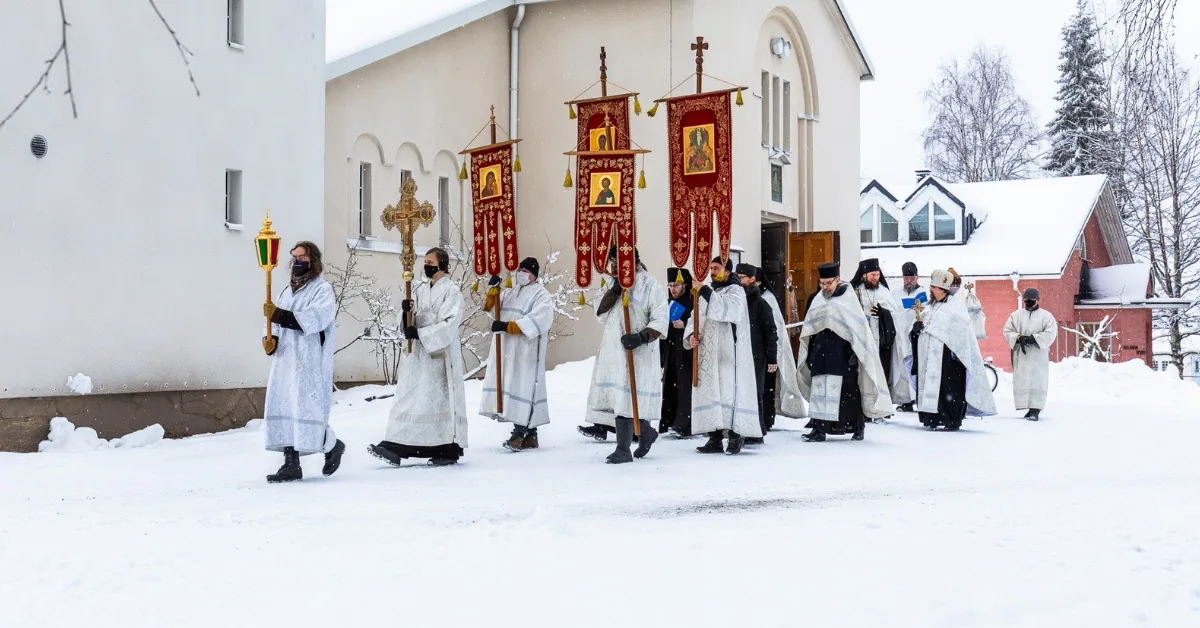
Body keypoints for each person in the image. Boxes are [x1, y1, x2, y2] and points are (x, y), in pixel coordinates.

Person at [369, 248, 468, 466]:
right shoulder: (420, 288)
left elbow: (449, 324)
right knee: (410, 398)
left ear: (442, 265)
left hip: (439, 357)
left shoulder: (451, 292)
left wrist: (422, 333)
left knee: (432, 402)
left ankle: (444, 447)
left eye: (430, 262)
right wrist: (407, 314)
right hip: (417, 356)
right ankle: (396, 442)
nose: (426, 266)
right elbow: (408, 317)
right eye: (425, 262)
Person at [262, 241, 344, 483]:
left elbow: (318, 317)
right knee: (285, 406)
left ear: (313, 261)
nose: (298, 262)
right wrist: (270, 338)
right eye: (295, 257)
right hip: (285, 359)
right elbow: (272, 321)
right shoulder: (285, 292)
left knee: (306, 407)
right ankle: (291, 464)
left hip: (308, 360)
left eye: (303, 258)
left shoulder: (322, 289)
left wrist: (280, 315)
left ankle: (332, 446)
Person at [580, 247, 669, 464]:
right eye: (612, 262)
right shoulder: (612, 283)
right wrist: (616, 290)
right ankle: (646, 432)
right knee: (621, 398)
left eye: (618, 262)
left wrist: (641, 337)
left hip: (638, 352)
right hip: (613, 352)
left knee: (629, 397)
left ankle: (623, 449)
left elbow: (660, 317)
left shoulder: (650, 284)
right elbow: (599, 313)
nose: (614, 267)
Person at [795, 262, 892, 442]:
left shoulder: (848, 298)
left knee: (849, 391)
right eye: (821, 283)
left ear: (837, 280)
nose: (824, 287)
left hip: (843, 352)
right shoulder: (819, 298)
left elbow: (859, 328)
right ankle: (819, 428)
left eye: (828, 283)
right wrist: (810, 351)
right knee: (819, 389)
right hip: (820, 350)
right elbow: (811, 326)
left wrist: (856, 352)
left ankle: (857, 427)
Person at [686, 256, 762, 455]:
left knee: (729, 395)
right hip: (708, 354)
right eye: (710, 268)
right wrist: (691, 337)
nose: (712, 271)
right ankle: (715, 438)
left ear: (727, 271)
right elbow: (696, 317)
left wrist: (704, 290)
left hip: (729, 354)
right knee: (712, 393)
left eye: (716, 268)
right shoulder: (708, 291)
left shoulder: (735, 291)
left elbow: (726, 311)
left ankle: (736, 437)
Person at [479, 257, 555, 450]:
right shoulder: (511, 292)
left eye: (525, 270)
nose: (520, 272)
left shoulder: (541, 295)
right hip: (507, 349)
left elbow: (539, 320)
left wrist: (509, 326)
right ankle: (531, 435)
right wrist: (493, 291)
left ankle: (519, 433)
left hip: (526, 350)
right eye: (519, 269)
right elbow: (492, 309)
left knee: (524, 387)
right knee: (513, 386)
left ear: (533, 274)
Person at [910, 269, 997, 430]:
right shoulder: (928, 307)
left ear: (942, 289)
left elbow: (962, 334)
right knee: (934, 389)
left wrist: (936, 331)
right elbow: (920, 331)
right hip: (929, 358)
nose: (931, 290)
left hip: (949, 360)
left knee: (948, 390)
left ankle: (951, 420)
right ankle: (932, 419)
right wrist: (915, 331)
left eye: (933, 287)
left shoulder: (956, 307)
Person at [850, 258, 913, 414]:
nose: (875, 278)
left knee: (881, 374)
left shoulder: (884, 292)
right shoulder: (854, 292)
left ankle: (880, 407)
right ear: (863, 275)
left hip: (882, 343)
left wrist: (884, 314)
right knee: (862, 375)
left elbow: (895, 316)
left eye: (877, 275)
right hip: (862, 341)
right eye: (872, 275)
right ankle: (862, 408)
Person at [754, 267, 807, 430]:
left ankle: (767, 418)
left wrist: (771, 351)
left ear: (759, 282)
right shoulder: (755, 298)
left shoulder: (767, 298)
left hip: (768, 349)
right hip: (758, 349)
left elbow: (773, 327)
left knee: (767, 386)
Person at [736, 263, 778, 445]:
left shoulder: (761, 304)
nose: (738, 280)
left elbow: (771, 332)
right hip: (739, 354)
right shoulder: (737, 301)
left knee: (754, 393)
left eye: (742, 277)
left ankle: (757, 430)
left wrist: (772, 358)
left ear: (752, 279)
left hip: (756, 356)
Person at [1003, 288, 1057, 421]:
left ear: (1038, 300)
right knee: (1023, 380)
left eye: (1031, 301)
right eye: (1026, 301)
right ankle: (1027, 407)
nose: (1028, 303)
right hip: (1021, 355)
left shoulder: (1046, 316)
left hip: (1038, 355)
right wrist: (1018, 337)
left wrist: (1035, 338)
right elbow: (1007, 330)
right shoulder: (1016, 315)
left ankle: (1035, 409)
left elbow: (1051, 333)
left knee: (1037, 381)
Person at [659, 267, 694, 437]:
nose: (673, 289)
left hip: (687, 353)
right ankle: (668, 421)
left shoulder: (693, 302)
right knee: (670, 387)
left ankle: (685, 424)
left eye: (676, 285)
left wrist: (685, 325)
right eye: (670, 285)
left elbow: (700, 326)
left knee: (684, 387)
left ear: (685, 285)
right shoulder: (667, 303)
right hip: (671, 351)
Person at [891, 262, 927, 412]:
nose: (909, 280)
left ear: (917, 277)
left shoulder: (924, 294)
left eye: (912, 277)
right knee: (901, 369)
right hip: (899, 338)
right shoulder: (895, 293)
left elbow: (926, 313)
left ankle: (919, 397)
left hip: (915, 338)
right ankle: (906, 400)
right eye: (906, 278)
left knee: (915, 367)